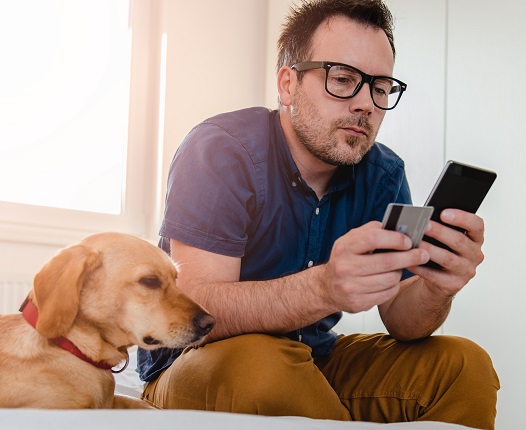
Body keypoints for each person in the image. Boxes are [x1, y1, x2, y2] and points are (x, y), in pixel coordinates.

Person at [137, 0, 500, 428]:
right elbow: (196, 308)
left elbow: (402, 320)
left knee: (464, 366)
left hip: (313, 359)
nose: (367, 104)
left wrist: (439, 288)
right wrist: (324, 288)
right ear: (288, 85)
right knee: (259, 365)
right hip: (200, 360)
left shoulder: (384, 174)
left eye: (380, 87)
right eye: (343, 79)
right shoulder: (220, 149)